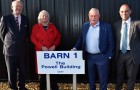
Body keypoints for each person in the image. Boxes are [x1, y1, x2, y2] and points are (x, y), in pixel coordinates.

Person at [71, 8, 114, 90]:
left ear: (99, 16)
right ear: (88, 16)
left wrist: (109, 56)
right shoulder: (85, 26)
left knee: (103, 81)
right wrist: (75, 48)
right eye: (91, 16)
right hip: (90, 57)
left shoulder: (106, 27)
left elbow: (111, 42)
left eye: (95, 16)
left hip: (102, 57)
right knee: (91, 80)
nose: (93, 18)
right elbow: (81, 38)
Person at [0, 0, 29, 90]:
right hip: (9, 50)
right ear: (12, 7)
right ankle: (13, 88)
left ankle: (22, 87)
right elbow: (2, 34)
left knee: (22, 71)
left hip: (22, 49)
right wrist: (9, 44)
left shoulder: (25, 18)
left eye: (20, 6)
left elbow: (26, 33)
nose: (18, 8)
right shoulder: (5, 18)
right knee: (11, 71)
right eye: (16, 6)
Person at [30, 10, 61, 90]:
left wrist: (54, 46)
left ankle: (54, 88)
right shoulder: (35, 27)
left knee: (52, 72)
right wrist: (41, 47)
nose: (45, 17)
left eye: (46, 16)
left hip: (51, 53)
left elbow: (58, 37)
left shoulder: (52, 27)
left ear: (48, 18)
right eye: (43, 16)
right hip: (41, 53)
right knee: (42, 73)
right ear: (39, 17)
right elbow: (33, 38)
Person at [114, 4, 140, 90]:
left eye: (126, 11)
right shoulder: (116, 25)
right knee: (119, 77)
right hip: (120, 54)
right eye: (122, 11)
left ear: (130, 12)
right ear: (119, 12)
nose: (124, 13)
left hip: (132, 55)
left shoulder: (137, 23)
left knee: (131, 79)